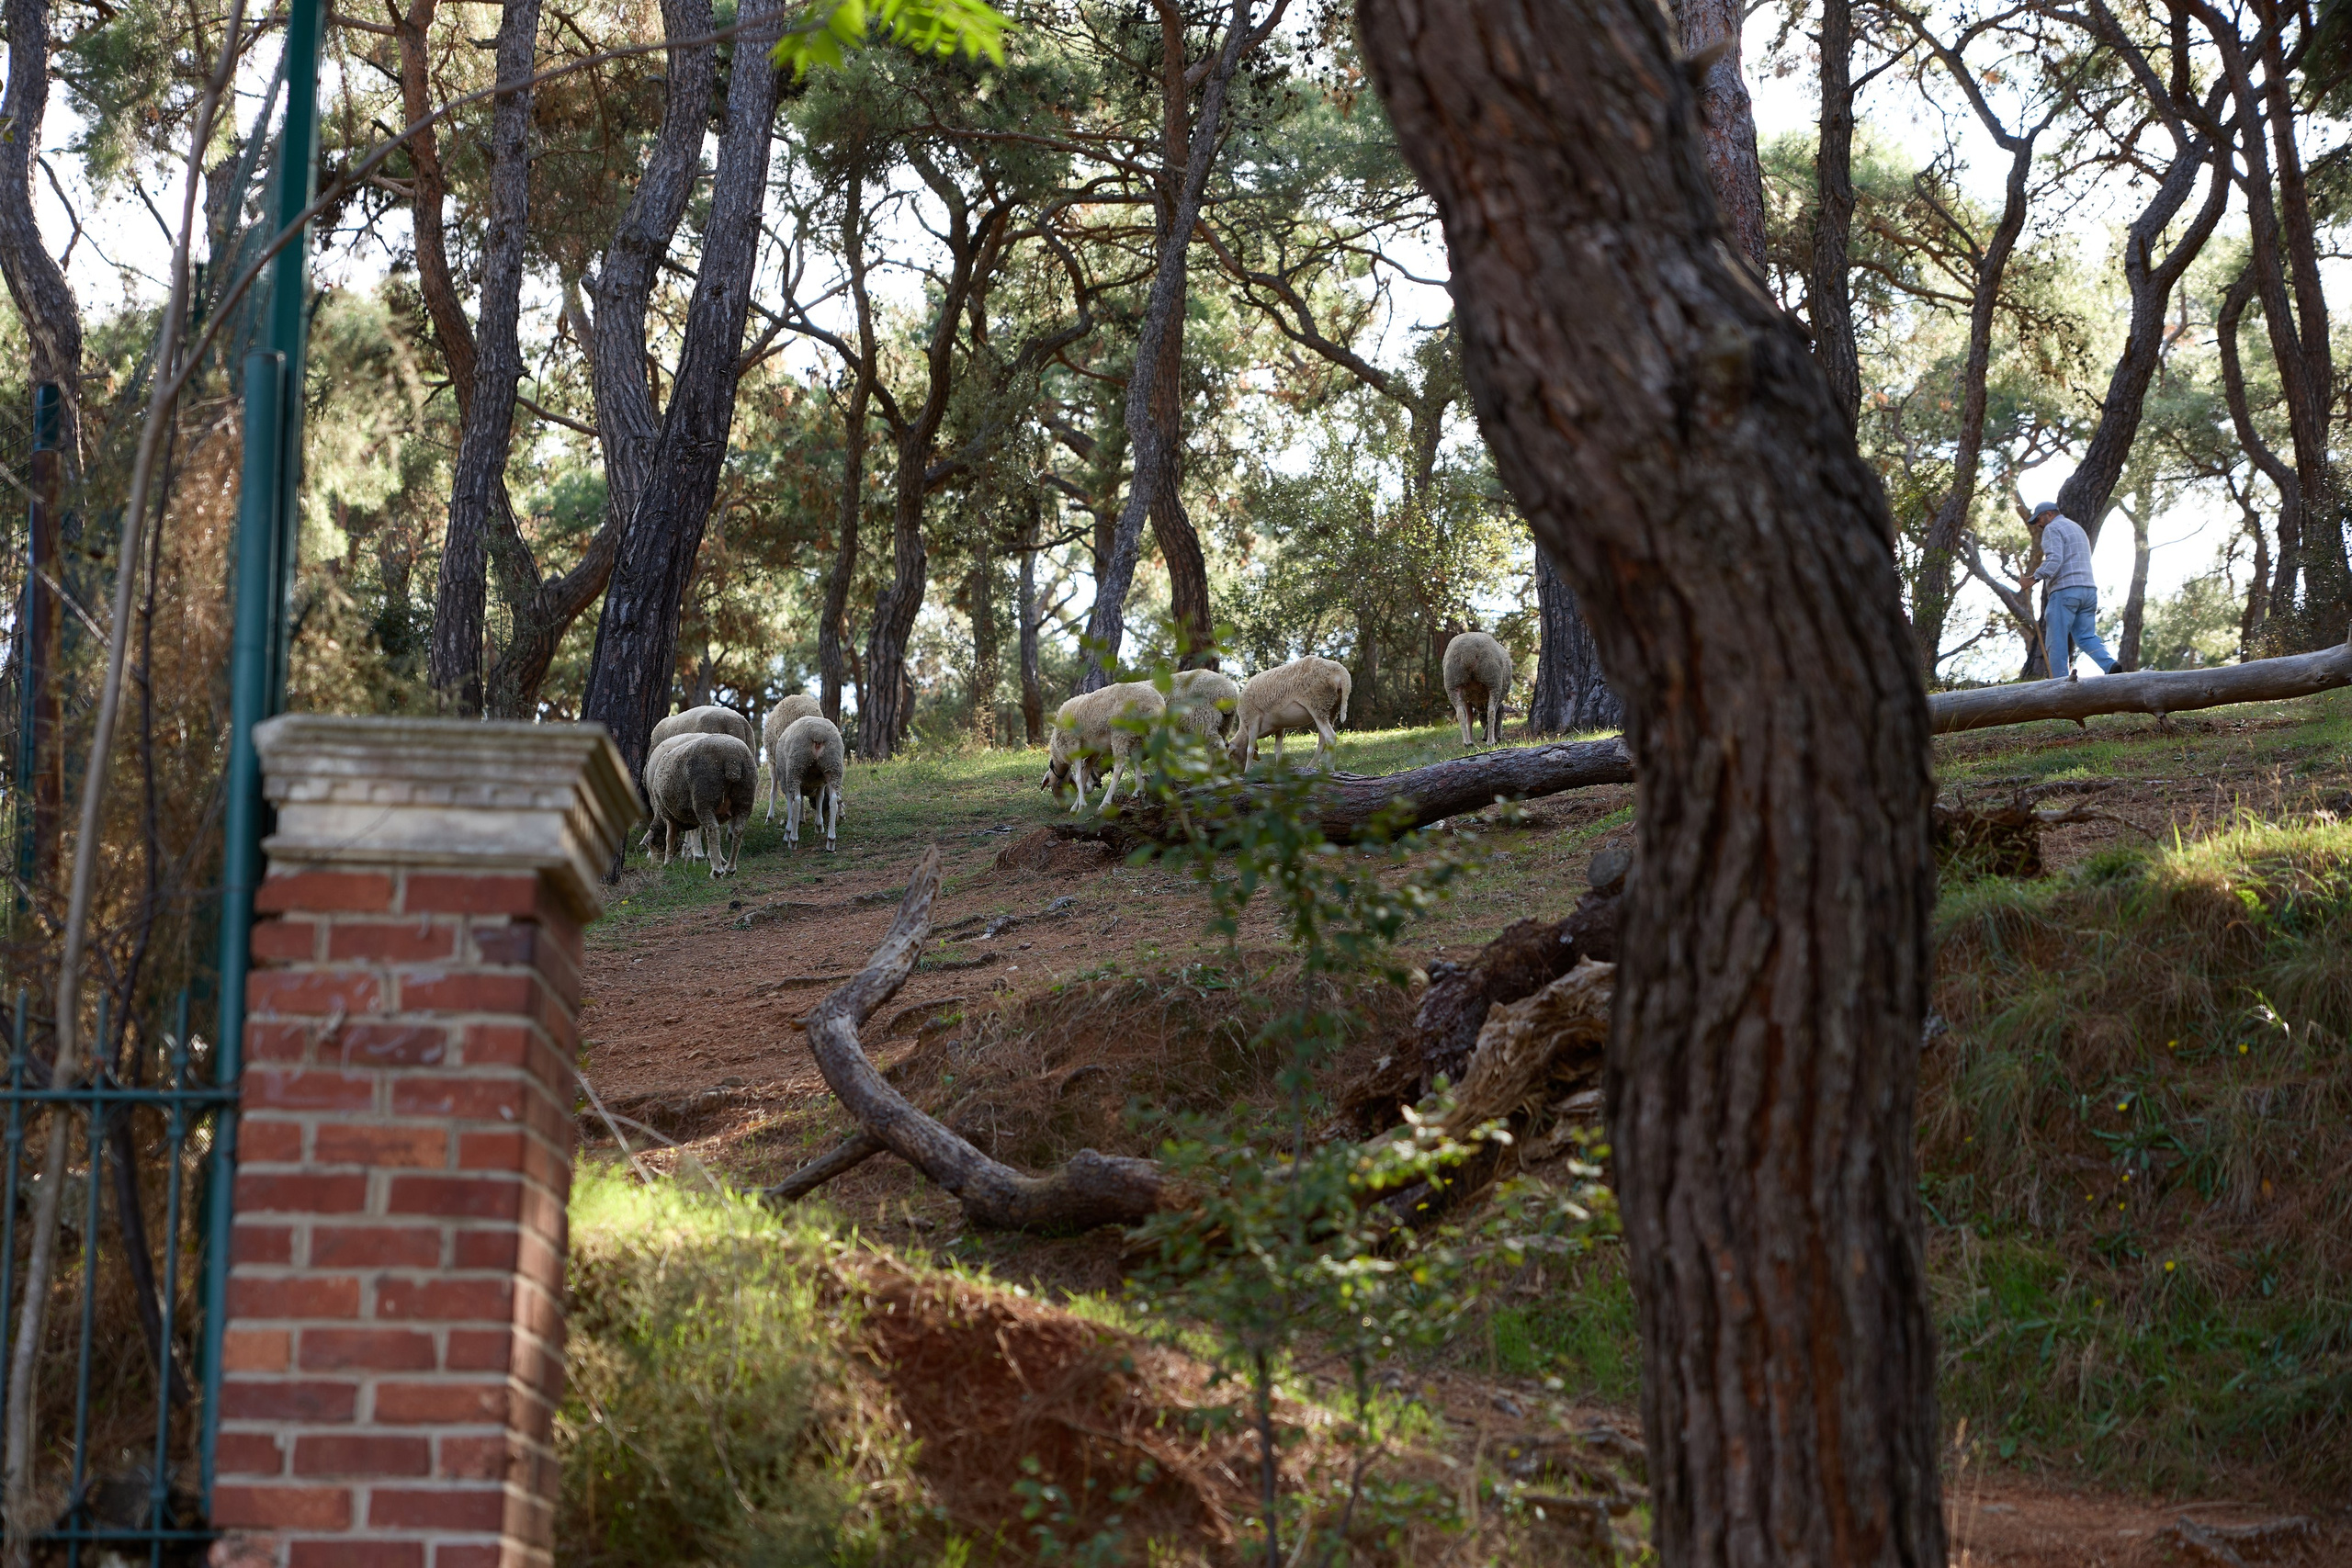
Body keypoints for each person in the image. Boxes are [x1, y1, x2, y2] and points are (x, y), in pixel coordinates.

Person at [2029, 502, 2116, 680]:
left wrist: (2033, 578)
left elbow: (2055, 559)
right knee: (2086, 636)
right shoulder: (2076, 528)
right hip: (2088, 591)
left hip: (2065, 591)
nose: (2038, 524)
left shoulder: (2052, 528)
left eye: (2038, 519)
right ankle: (2110, 665)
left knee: (2056, 640)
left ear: (2049, 514)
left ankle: (2059, 682)